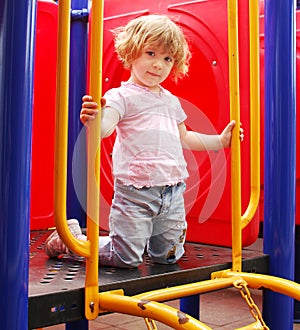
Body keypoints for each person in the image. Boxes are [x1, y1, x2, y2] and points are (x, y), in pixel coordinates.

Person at [45, 14, 242, 268]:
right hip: (135, 192)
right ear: (131, 52)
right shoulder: (121, 97)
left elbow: (185, 137)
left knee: (168, 257)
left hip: (172, 191)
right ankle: (71, 239)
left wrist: (220, 141)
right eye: (151, 53)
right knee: (125, 258)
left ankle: (139, 237)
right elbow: (105, 128)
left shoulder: (170, 101)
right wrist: (95, 121)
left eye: (167, 58)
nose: (158, 64)